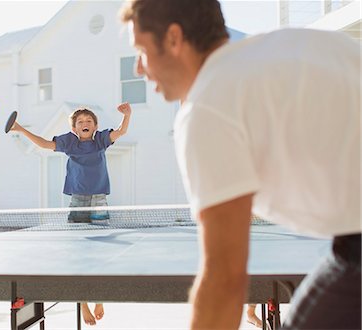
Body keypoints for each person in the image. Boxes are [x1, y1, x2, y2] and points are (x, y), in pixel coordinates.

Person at [120, 1, 360, 329]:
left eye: (141, 50)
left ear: (174, 39)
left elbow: (224, 277)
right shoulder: (296, 47)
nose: (138, 69)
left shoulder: (208, 107)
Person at [10, 102, 132, 325]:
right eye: (80, 122)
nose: (84, 124)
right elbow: (45, 144)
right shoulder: (69, 142)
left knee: (100, 250)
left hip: (99, 200)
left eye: (88, 121)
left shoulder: (101, 140)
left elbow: (122, 131)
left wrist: (127, 115)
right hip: (78, 200)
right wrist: (20, 129)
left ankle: (99, 298)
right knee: (79, 251)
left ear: (95, 126)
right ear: (75, 128)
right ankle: (83, 302)